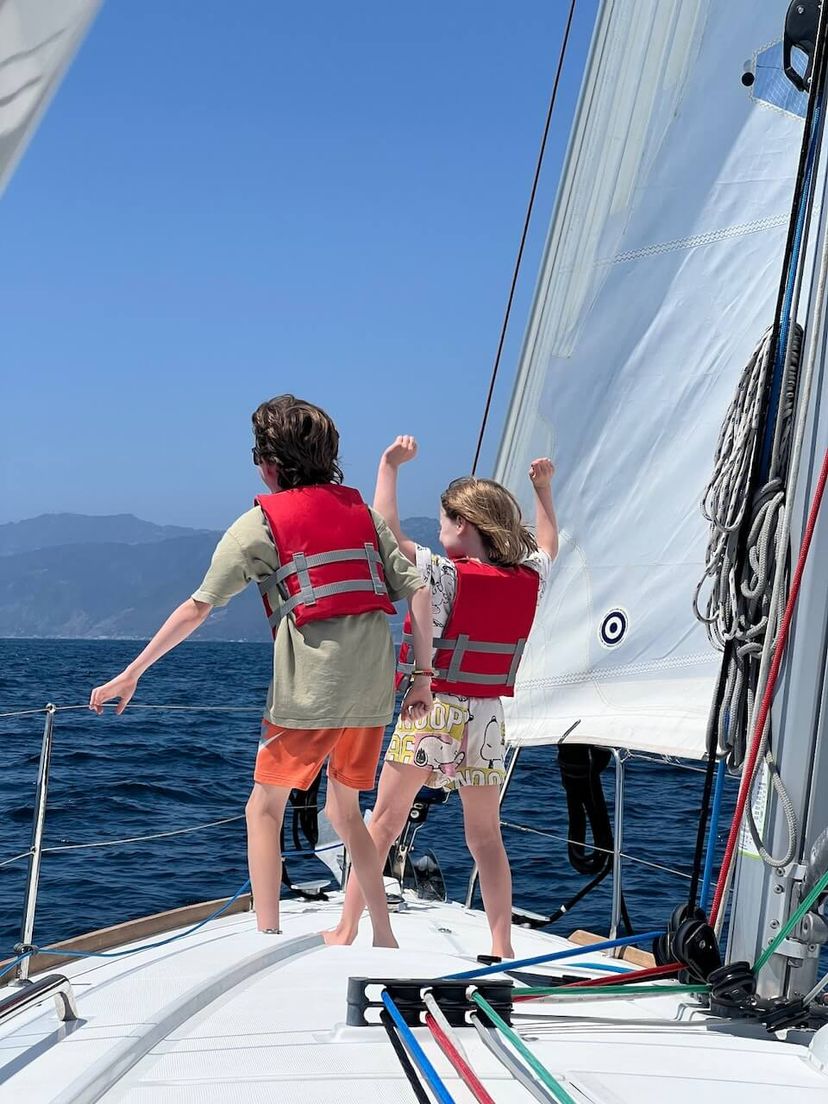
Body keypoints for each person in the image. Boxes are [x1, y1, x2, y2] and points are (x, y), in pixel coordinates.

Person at [89, 398, 434, 947]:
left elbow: (198, 608)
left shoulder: (257, 526)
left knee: (264, 808)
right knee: (347, 813)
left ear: (269, 465)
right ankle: (383, 936)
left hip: (309, 693)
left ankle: (267, 932)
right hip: (372, 693)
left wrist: (131, 673)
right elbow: (418, 589)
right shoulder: (364, 516)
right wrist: (422, 676)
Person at [325, 436, 558, 958]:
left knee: (383, 823)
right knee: (486, 837)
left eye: (443, 523)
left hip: (433, 709)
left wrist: (388, 466)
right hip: (488, 717)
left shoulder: (444, 573)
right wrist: (543, 491)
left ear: (464, 525)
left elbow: (386, 533)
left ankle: (346, 928)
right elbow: (548, 545)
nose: (439, 532)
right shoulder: (530, 577)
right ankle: (502, 944)